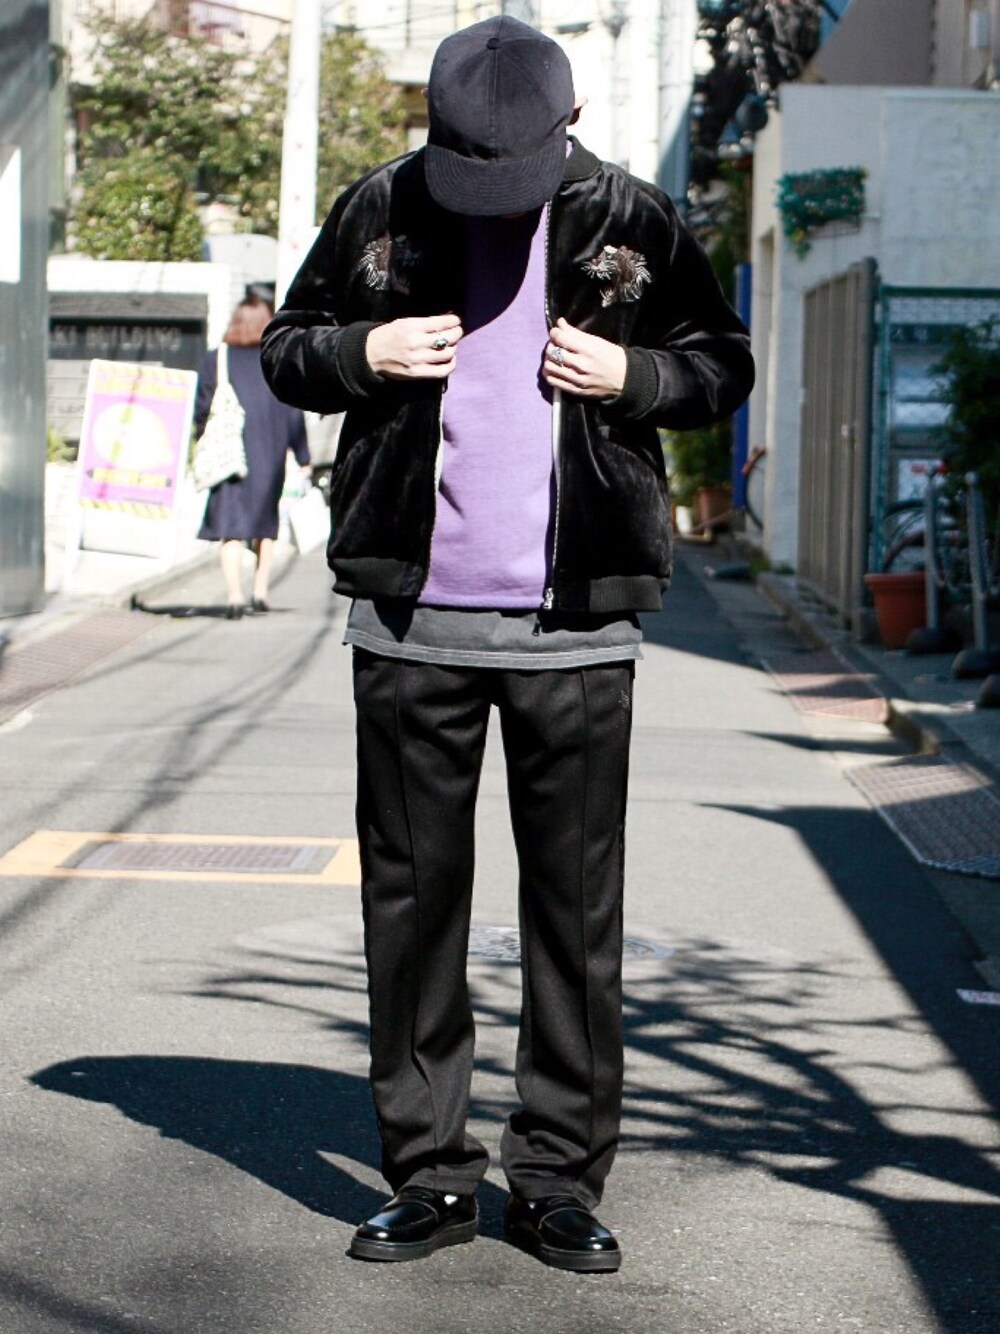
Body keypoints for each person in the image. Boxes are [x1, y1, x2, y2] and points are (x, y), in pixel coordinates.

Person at [262, 16, 753, 1272]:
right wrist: (362, 351)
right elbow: (286, 349)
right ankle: (428, 1174)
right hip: (408, 617)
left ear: (566, 127)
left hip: (578, 622)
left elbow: (720, 362)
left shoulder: (633, 215)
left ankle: (555, 1180)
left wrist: (633, 378)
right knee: (411, 904)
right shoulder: (379, 204)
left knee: (574, 916)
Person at [195, 294, 311, 619]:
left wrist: (203, 436)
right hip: (270, 451)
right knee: (265, 523)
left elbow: (202, 407)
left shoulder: (217, 358)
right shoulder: (276, 358)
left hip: (230, 453)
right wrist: (303, 454)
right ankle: (260, 591)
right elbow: (293, 411)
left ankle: (234, 595)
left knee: (230, 526)